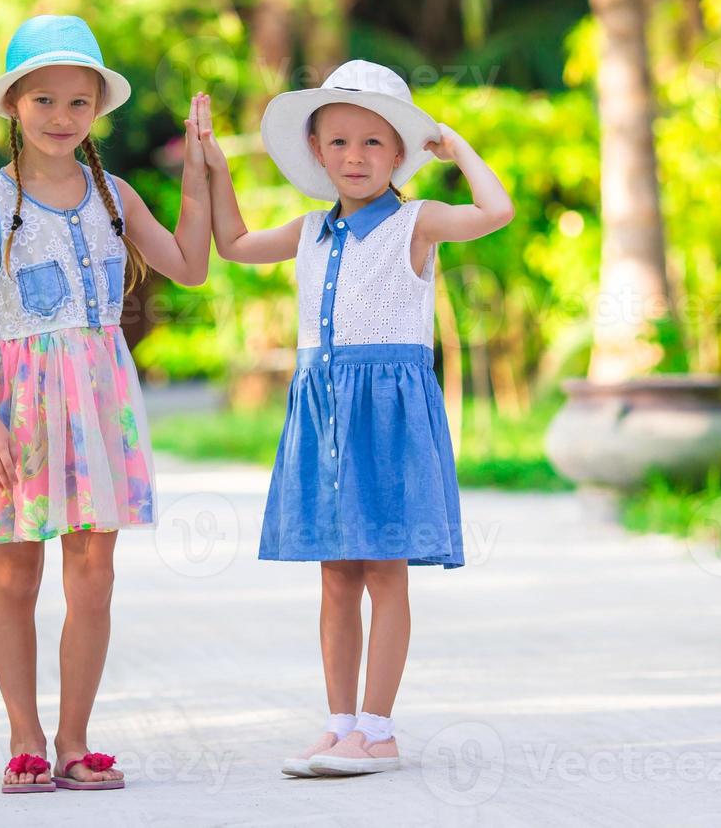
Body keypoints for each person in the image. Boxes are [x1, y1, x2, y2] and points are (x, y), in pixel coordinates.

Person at [203, 60, 514, 777]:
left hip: (389, 415)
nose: (354, 157)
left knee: (384, 571)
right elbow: (235, 245)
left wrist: (457, 146)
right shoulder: (310, 229)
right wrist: (214, 169)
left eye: (374, 144)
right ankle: (340, 723)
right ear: (317, 151)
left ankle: (379, 729)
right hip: (323, 413)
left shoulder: (417, 220)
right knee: (335, 576)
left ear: (400, 153)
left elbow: (495, 212)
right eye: (339, 142)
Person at [0, 14, 212, 794]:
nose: (62, 118)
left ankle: (73, 739)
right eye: (44, 101)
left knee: (93, 569)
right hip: (18, 404)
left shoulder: (115, 195)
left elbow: (191, 265)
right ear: (13, 107)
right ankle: (23, 734)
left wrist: (199, 172)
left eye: (78, 103)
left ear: (97, 111)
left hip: (99, 396)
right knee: (15, 572)